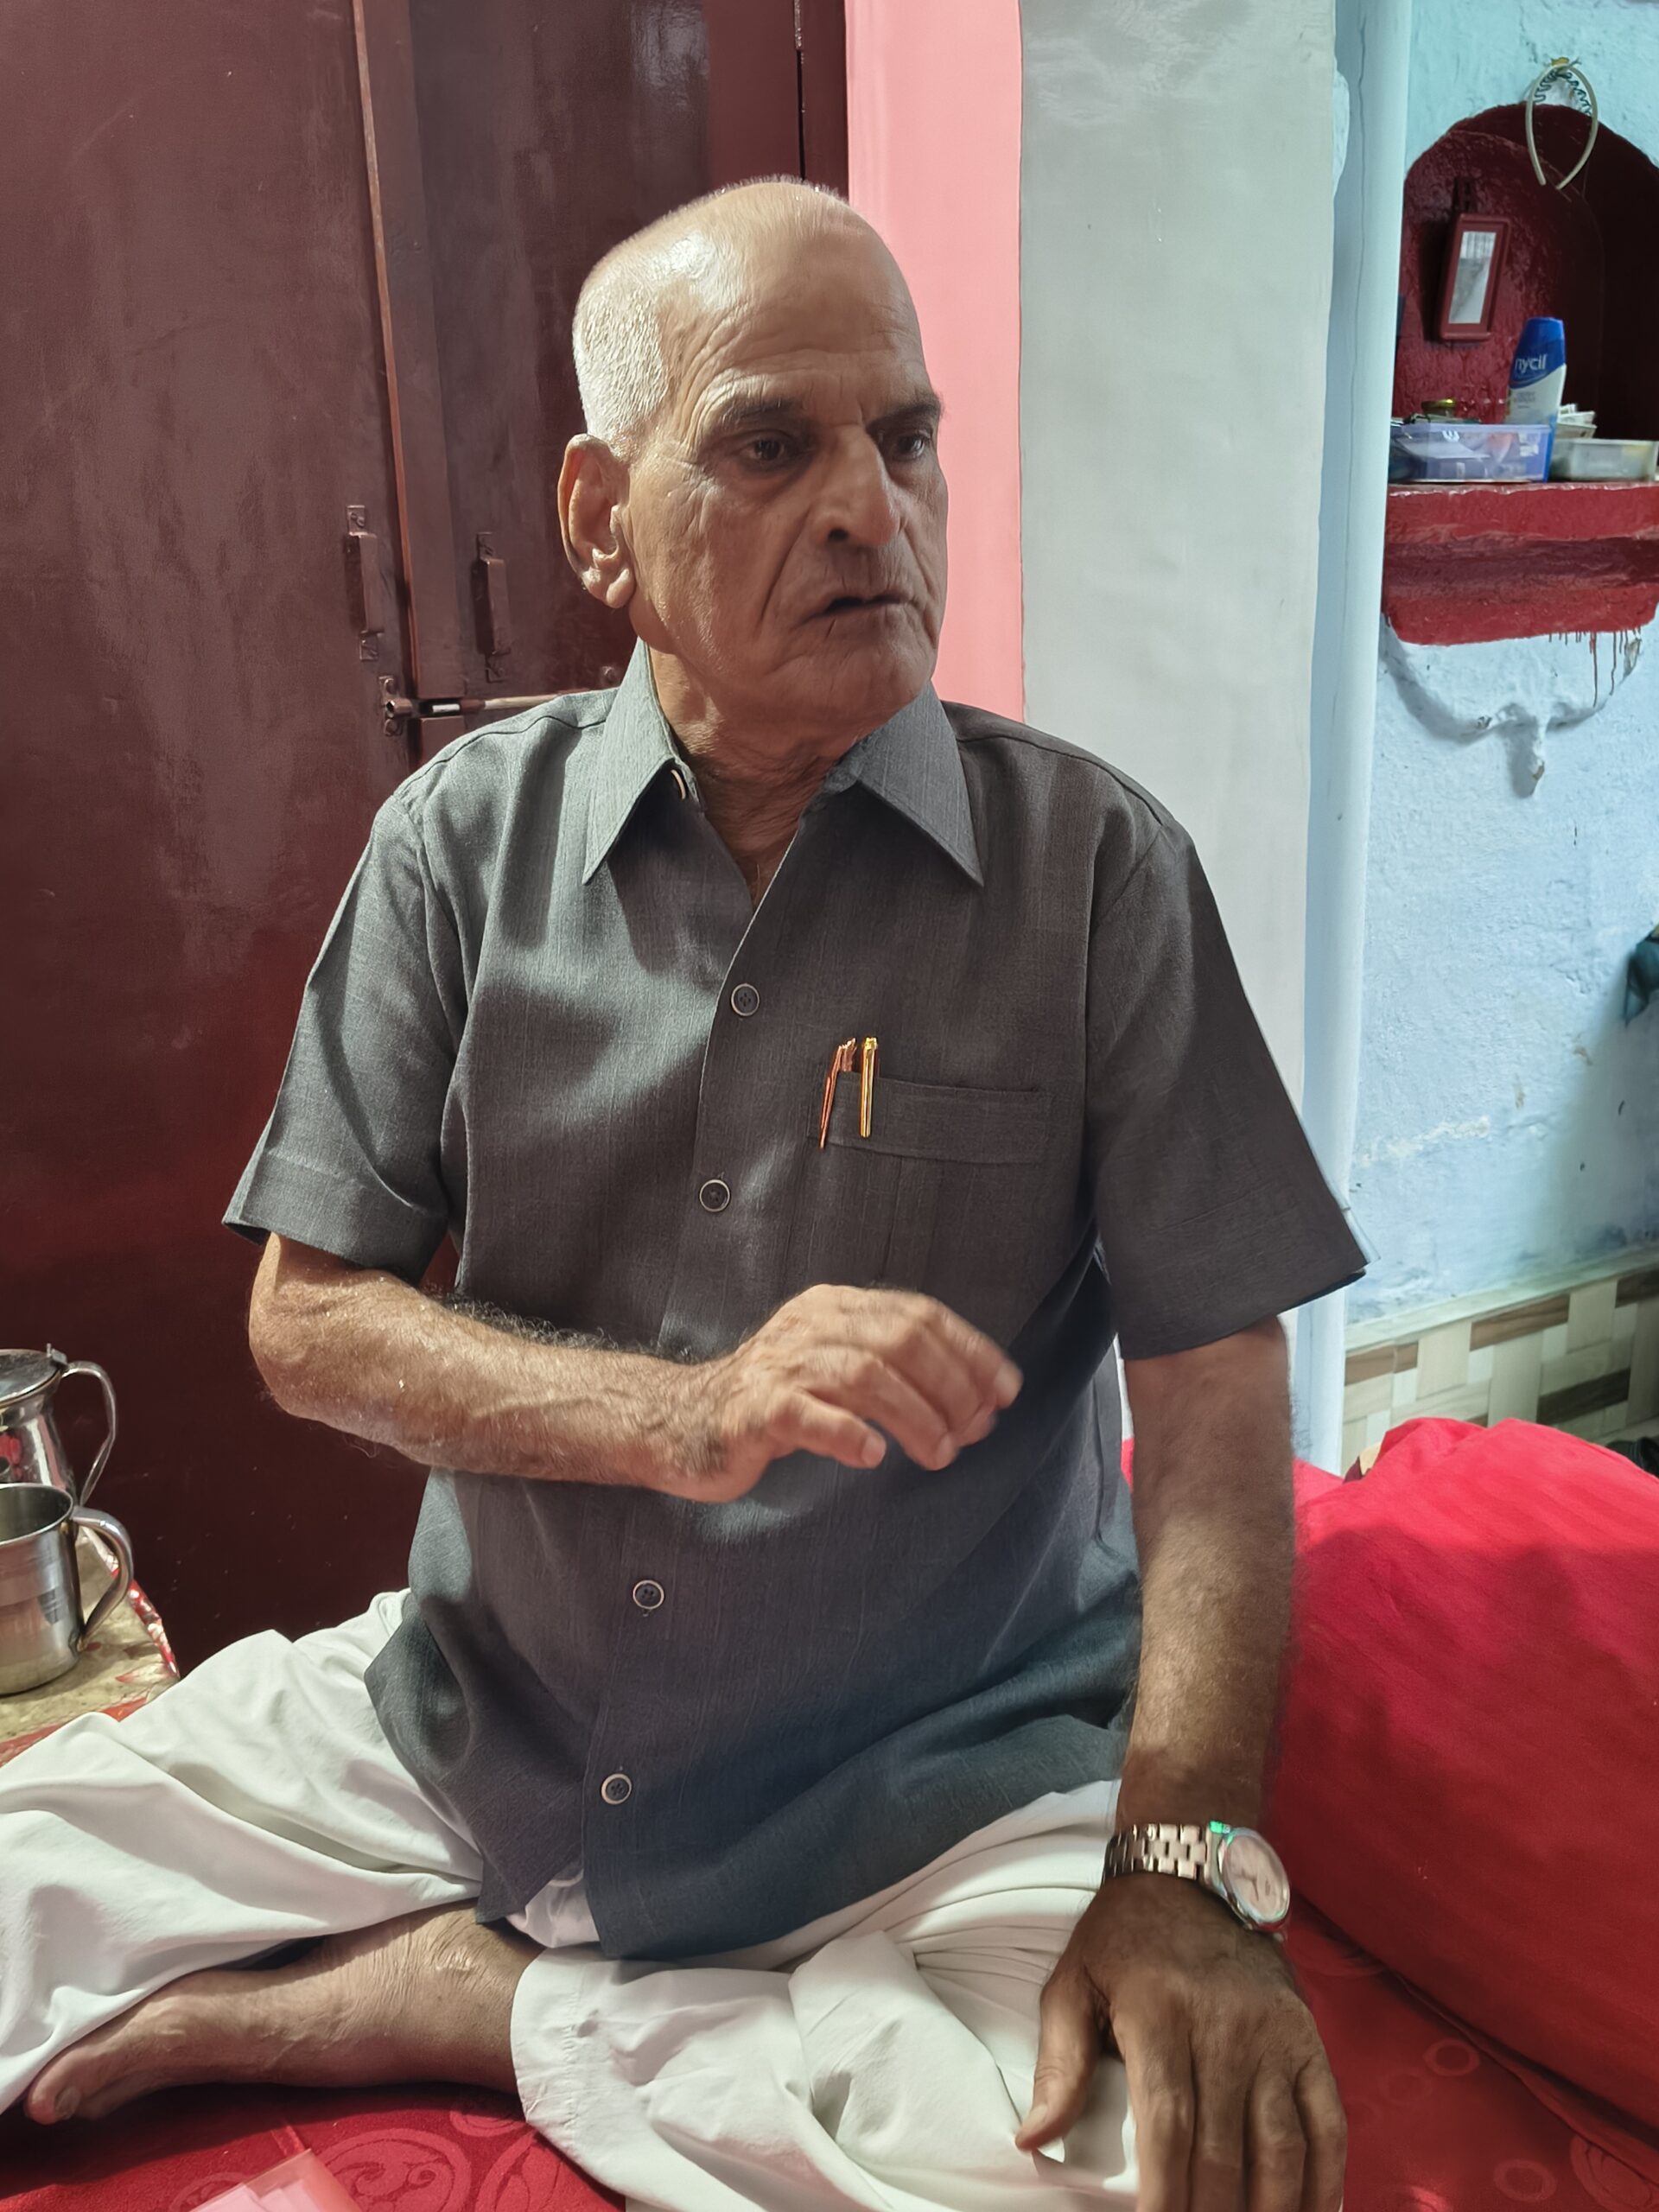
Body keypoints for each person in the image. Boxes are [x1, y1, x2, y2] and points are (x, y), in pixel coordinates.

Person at [1, 180, 1363, 2212]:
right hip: (481, 1721)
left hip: (938, 1783)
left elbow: (1225, 1405)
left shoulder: (1096, 877)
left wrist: (1178, 1858)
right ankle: (614, 2003)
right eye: (771, 444)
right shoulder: (460, 847)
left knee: (1127, 2169)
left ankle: (472, 2004)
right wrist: (685, 1412)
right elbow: (307, 1318)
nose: (872, 509)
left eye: (906, 437)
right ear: (597, 519)